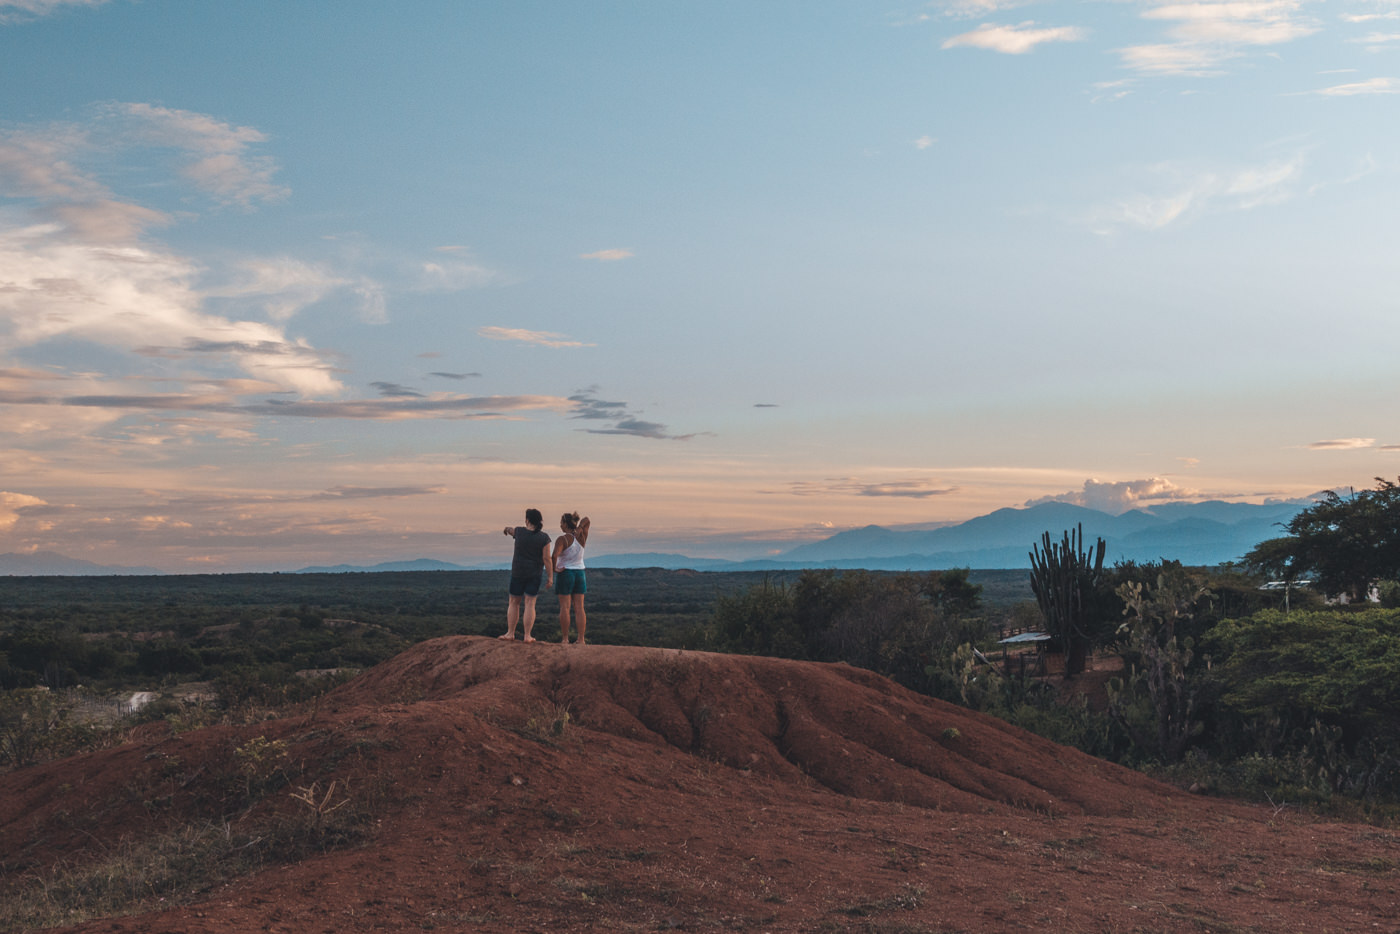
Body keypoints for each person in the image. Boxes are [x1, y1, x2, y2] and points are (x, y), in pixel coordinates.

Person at [500, 508, 551, 643]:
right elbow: (547, 559)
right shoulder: (544, 538)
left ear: (527, 520)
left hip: (518, 572)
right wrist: (550, 577)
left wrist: (506, 529)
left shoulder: (520, 532)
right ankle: (527, 636)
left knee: (513, 602)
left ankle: (510, 633)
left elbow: (511, 530)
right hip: (535, 574)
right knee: (530, 603)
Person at [552, 512, 590, 644]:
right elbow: (587, 520)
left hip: (566, 573)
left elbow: (554, 555)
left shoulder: (563, 539)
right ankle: (581, 639)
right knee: (579, 607)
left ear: (566, 524)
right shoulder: (582, 537)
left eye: (561, 522)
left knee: (565, 607)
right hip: (580, 573)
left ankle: (565, 639)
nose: (560, 525)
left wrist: (554, 568)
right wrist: (580, 528)